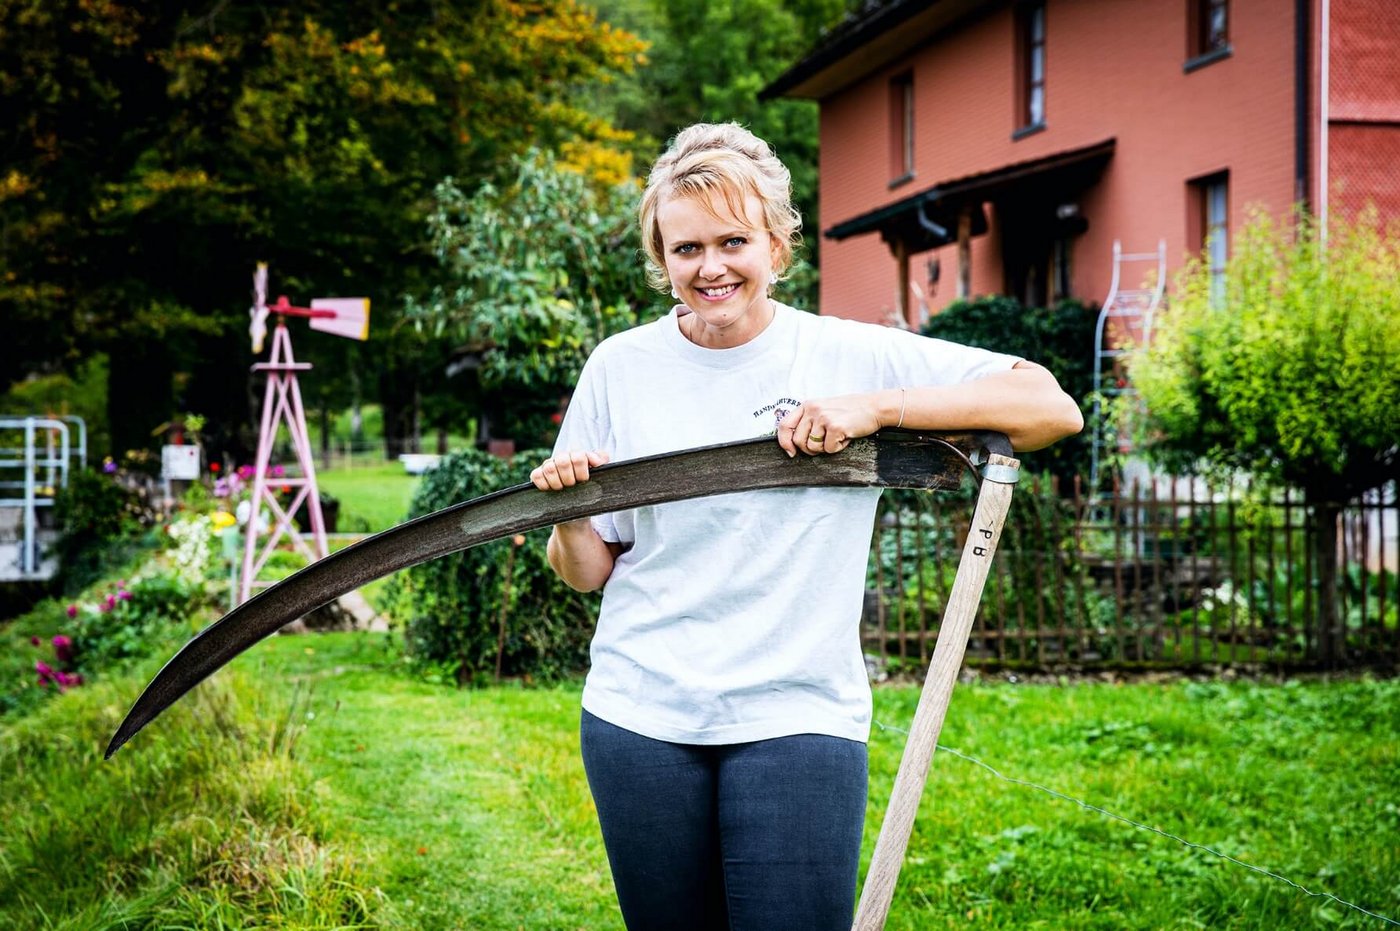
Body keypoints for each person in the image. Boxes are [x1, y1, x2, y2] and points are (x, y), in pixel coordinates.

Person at [530, 122, 1082, 931]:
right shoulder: (620, 365)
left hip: (798, 715)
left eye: (732, 241)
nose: (710, 267)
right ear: (662, 260)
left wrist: (874, 409)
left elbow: (1049, 408)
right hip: (639, 713)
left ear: (777, 246)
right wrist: (571, 512)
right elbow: (586, 570)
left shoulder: (847, 354)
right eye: (686, 250)